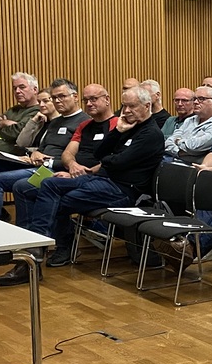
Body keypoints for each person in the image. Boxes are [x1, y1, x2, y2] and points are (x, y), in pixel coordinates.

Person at [17, 85, 165, 269]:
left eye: (132, 106)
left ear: (147, 106)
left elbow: (117, 162)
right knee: (49, 184)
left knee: (56, 201)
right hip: (102, 180)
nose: (126, 111)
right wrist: (117, 132)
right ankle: (37, 246)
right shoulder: (128, 126)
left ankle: (43, 249)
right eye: (124, 106)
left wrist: (109, 159)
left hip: (123, 190)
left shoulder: (151, 134)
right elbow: (99, 153)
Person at [0, 85, 118, 284]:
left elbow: (113, 160)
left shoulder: (116, 125)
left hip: (92, 178)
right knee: (22, 187)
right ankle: (25, 247)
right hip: (68, 173)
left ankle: (53, 248)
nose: (89, 104)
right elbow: (68, 153)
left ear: (107, 99)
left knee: (51, 190)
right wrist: (72, 166)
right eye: (87, 100)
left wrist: (81, 172)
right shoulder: (85, 126)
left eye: (94, 99)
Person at [0, 79, 87, 219]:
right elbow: (38, 146)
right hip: (37, 164)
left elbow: (80, 157)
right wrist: (35, 153)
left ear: (75, 97)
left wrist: (47, 161)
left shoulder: (84, 122)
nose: (57, 101)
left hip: (52, 169)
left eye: (62, 96)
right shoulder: (55, 122)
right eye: (54, 98)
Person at [164, 86, 212, 164]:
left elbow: (194, 146)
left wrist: (178, 141)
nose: (195, 102)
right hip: (175, 162)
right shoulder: (189, 120)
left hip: (195, 167)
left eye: (201, 99)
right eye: (195, 99)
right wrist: (179, 152)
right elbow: (169, 142)